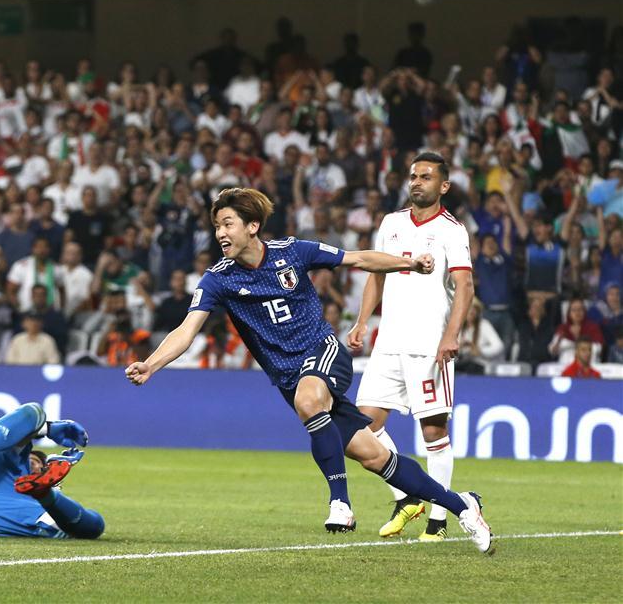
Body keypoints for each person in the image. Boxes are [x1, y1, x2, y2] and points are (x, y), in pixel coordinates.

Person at [125, 188, 493, 553]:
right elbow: (186, 330)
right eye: (217, 226)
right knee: (374, 457)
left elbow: (358, 259)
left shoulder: (291, 252)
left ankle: (340, 503)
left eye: (228, 223)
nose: (220, 233)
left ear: (252, 226)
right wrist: (152, 364)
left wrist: (408, 264)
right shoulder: (218, 279)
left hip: (323, 351)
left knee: (308, 398)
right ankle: (463, 506)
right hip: (289, 377)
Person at [348, 152, 475, 542]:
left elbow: (465, 286)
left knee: (433, 432)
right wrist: (362, 321)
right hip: (389, 342)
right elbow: (376, 274)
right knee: (362, 426)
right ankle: (407, 497)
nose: (417, 182)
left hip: (428, 345)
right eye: (413, 176)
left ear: (444, 186)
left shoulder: (452, 230)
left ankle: (438, 521)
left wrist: (451, 335)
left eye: (426, 176)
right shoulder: (391, 223)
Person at [0, 402, 104, 539]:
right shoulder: (8, 455)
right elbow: (20, 423)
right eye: (34, 461)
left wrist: (51, 495)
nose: (36, 466)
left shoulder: (26, 502)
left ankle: (46, 495)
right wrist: (47, 429)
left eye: (41, 468)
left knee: (94, 526)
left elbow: (91, 527)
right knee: (34, 412)